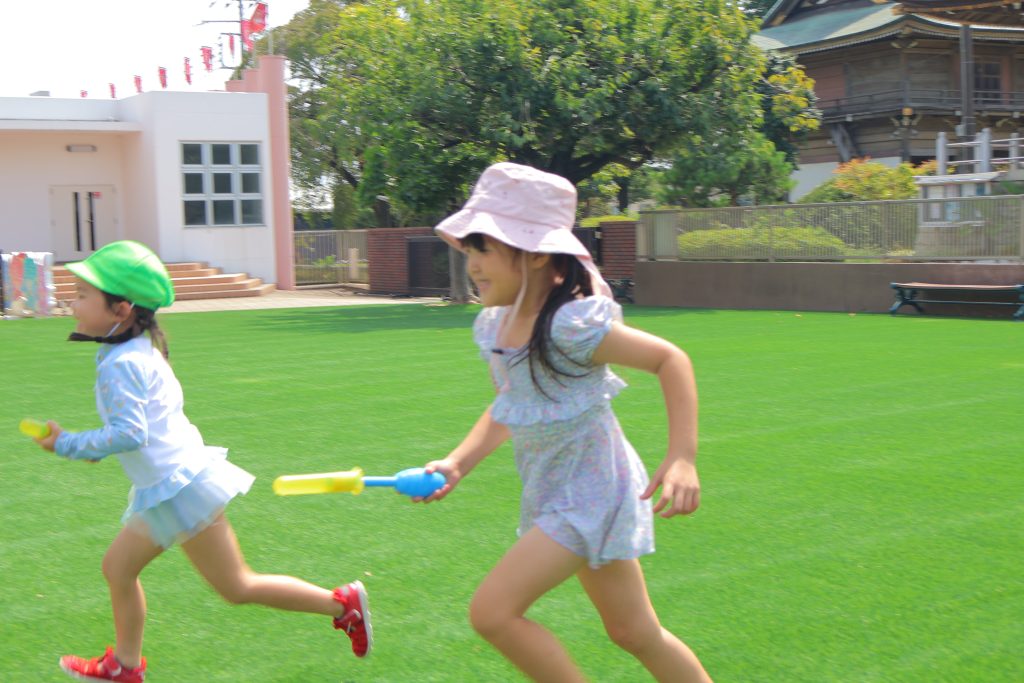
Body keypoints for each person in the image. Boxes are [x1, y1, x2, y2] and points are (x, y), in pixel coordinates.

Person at [418, 163, 712, 682]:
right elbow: (512, 405)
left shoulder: (571, 325)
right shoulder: (494, 326)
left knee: (492, 613)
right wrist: (458, 462)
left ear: (535, 253)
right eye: (469, 249)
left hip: (591, 494)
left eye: (484, 248)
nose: (473, 264)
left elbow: (671, 360)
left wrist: (682, 458)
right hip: (553, 491)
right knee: (634, 632)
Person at [31, 241, 371, 683]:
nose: (71, 303)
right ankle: (125, 667)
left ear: (122, 310)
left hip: (179, 487)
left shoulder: (122, 362)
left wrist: (70, 444)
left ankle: (342, 605)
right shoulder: (132, 350)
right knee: (123, 569)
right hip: (171, 485)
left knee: (236, 585)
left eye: (81, 295)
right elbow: (142, 428)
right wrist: (98, 447)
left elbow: (131, 433)